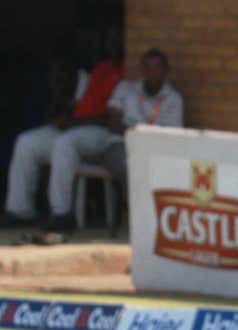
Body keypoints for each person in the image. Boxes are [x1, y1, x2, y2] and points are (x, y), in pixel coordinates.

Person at [25, 48, 184, 245]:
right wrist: (140, 132)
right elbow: (114, 123)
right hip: (119, 143)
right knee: (78, 147)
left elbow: (170, 137)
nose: (152, 73)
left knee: (151, 168)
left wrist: (135, 130)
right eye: (148, 68)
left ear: (166, 70)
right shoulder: (126, 88)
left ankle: (150, 221)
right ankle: (62, 214)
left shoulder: (174, 99)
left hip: (154, 150)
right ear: (142, 70)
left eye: (157, 68)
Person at [4, 27, 126, 240]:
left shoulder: (128, 72)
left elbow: (114, 120)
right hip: (78, 128)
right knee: (27, 142)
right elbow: (80, 104)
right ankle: (20, 209)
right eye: (110, 39)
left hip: (102, 134)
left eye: (118, 39)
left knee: (64, 142)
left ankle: (62, 214)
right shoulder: (99, 69)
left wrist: (75, 123)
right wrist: (65, 118)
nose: (113, 44)